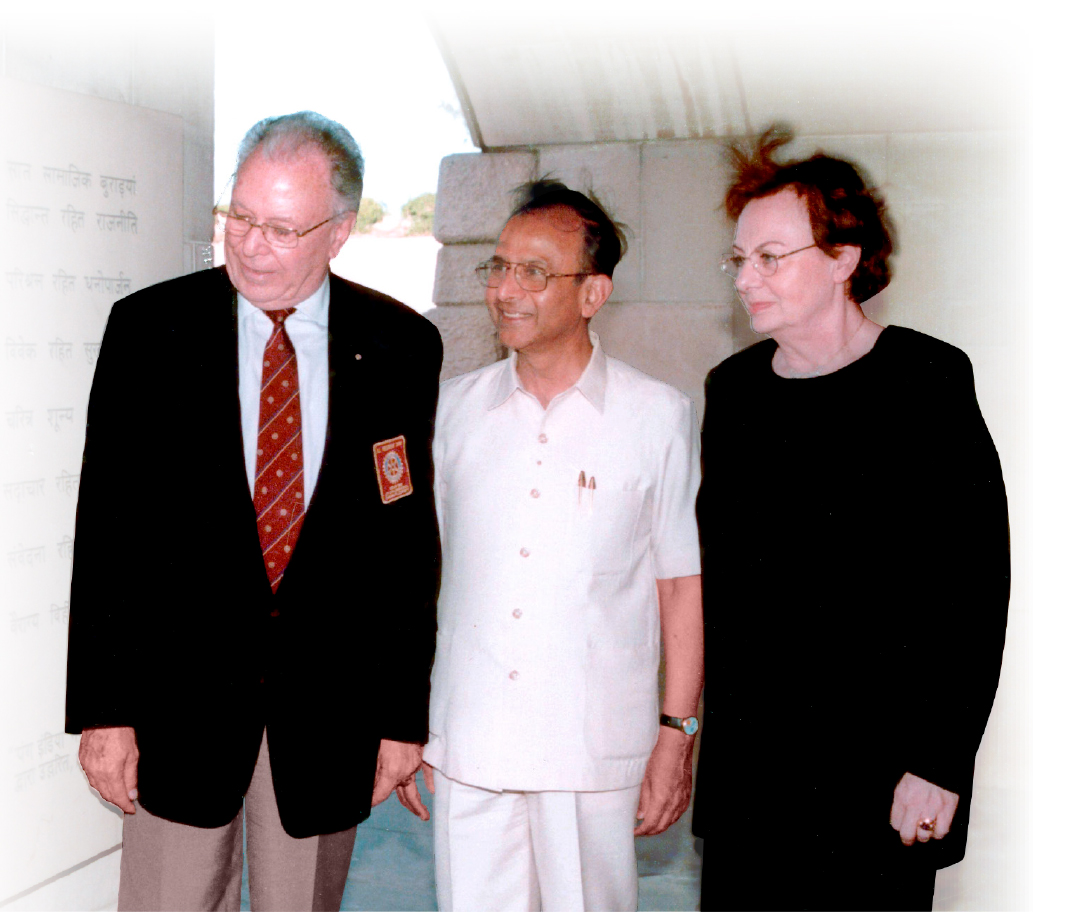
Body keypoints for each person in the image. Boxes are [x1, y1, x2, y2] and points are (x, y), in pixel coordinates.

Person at [64, 111, 442, 912]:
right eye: (239, 217)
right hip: (176, 715)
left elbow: (405, 547)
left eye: (280, 228)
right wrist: (105, 712)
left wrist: (402, 718)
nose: (250, 245)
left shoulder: (400, 345)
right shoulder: (149, 330)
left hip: (328, 718)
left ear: (339, 232)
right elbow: (107, 534)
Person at [693, 129, 1010, 911]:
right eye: (739, 259)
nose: (747, 279)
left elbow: (972, 588)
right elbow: (727, 597)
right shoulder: (733, 392)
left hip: (882, 777)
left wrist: (939, 762)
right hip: (754, 782)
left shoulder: (926, 380)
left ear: (843, 258)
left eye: (771, 257)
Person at [406, 180, 703, 911]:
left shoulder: (657, 417)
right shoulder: (451, 413)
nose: (506, 290)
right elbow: (414, 577)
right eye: (499, 267)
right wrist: (404, 724)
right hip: (471, 744)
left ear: (593, 293)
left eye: (533, 272)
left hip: (591, 751)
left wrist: (677, 735)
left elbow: (681, 585)